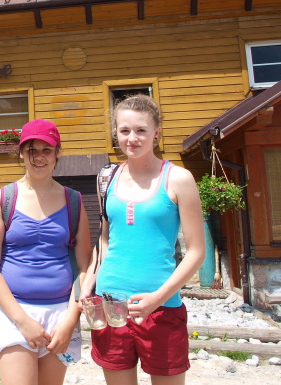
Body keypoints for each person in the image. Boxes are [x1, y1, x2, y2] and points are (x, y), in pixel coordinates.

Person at [81, 95, 205, 385]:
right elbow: (105, 240)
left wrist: (157, 298)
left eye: (141, 130)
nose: (132, 138)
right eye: (124, 131)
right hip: (110, 304)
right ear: (116, 133)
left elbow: (197, 252)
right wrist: (88, 283)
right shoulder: (107, 178)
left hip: (161, 307)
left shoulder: (178, 179)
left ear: (156, 133)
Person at [0, 118, 91, 385]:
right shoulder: (4, 198)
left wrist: (70, 319)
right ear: (21, 153)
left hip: (60, 316)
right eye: (32, 150)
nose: (39, 157)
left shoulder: (74, 201)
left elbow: (84, 268)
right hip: (13, 313)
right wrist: (22, 321)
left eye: (46, 150)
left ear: (57, 153)